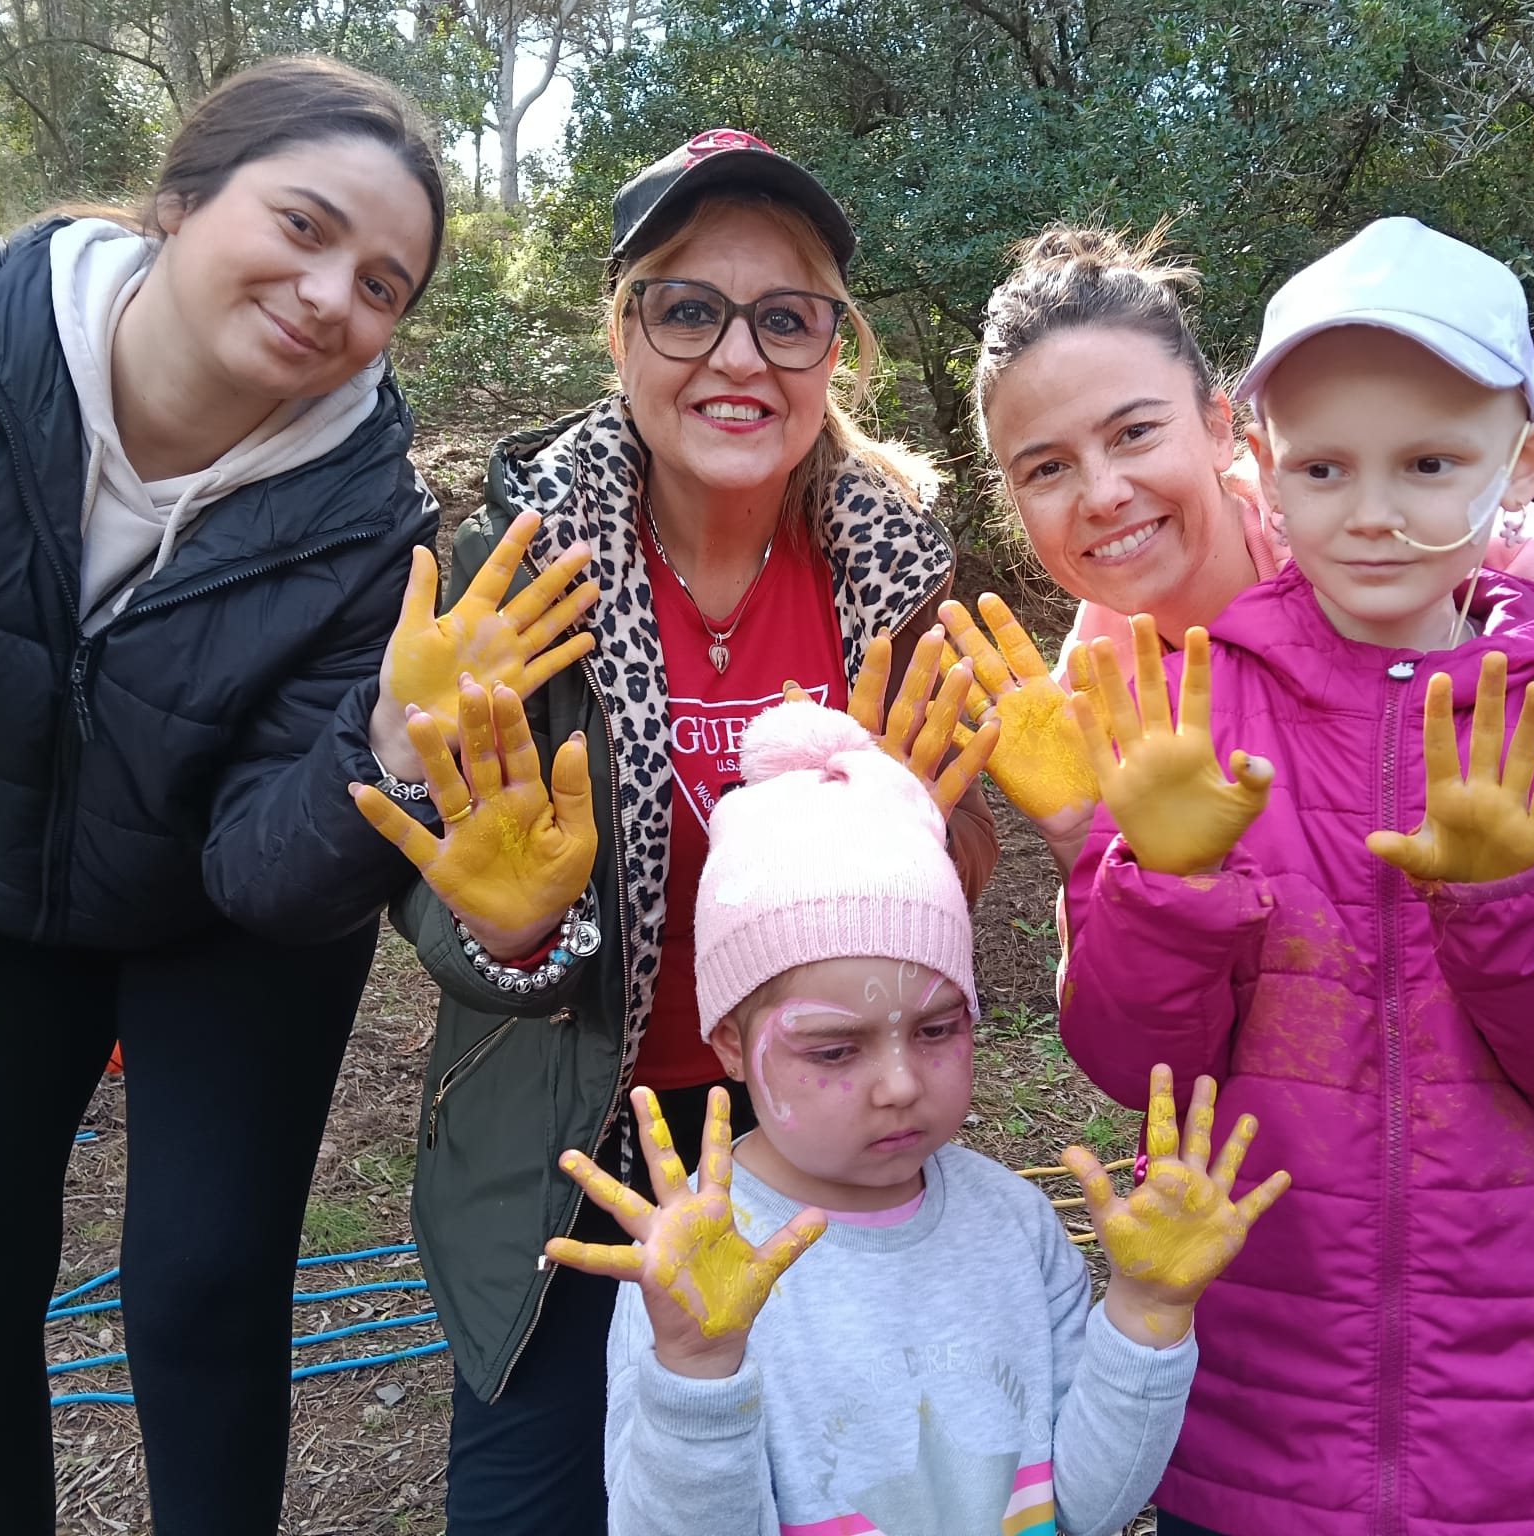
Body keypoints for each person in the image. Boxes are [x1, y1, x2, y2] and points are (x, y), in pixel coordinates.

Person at [0, 58, 591, 1536]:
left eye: (381, 283)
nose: (328, 294)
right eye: (300, 225)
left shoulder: (371, 522)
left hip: (223, 917)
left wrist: (381, 748)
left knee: (204, 1292)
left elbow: (264, 875)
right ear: (180, 196)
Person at [962, 220, 1534, 1313]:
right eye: (1046, 468)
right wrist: (1094, 853)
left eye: (1134, 432)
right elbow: (1156, 1026)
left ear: (1227, 429)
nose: (1101, 494)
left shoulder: (1431, 537)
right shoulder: (1101, 691)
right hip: (1380, 1039)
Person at [1056, 218, 1534, 1534]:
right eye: (1324, 466)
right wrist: (1165, 882)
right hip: (1245, 1424)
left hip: (1508, 1445)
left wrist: (1524, 893)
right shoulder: (1195, 708)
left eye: (1429, 462)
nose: (1373, 513)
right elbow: (1121, 1054)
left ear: (1523, 461)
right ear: (1262, 464)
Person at [352, 129, 999, 1535]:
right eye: (687, 308)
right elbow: (448, 870)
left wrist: (923, 842)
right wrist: (507, 923)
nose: (738, 357)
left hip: (814, 1118)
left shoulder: (892, 576)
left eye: (787, 317)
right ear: (623, 328)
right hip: (570, 1133)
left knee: (826, 1493)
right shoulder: (519, 569)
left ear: (837, 347)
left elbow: (958, 875)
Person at [530, 696, 1288, 1536]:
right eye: (834, 1049)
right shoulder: (696, 1266)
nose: (898, 1085)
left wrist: (1146, 1316)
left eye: (936, 1029)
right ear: (732, 1045)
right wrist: (699, 1371)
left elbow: (1088, 1509)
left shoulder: (1015, 1225)